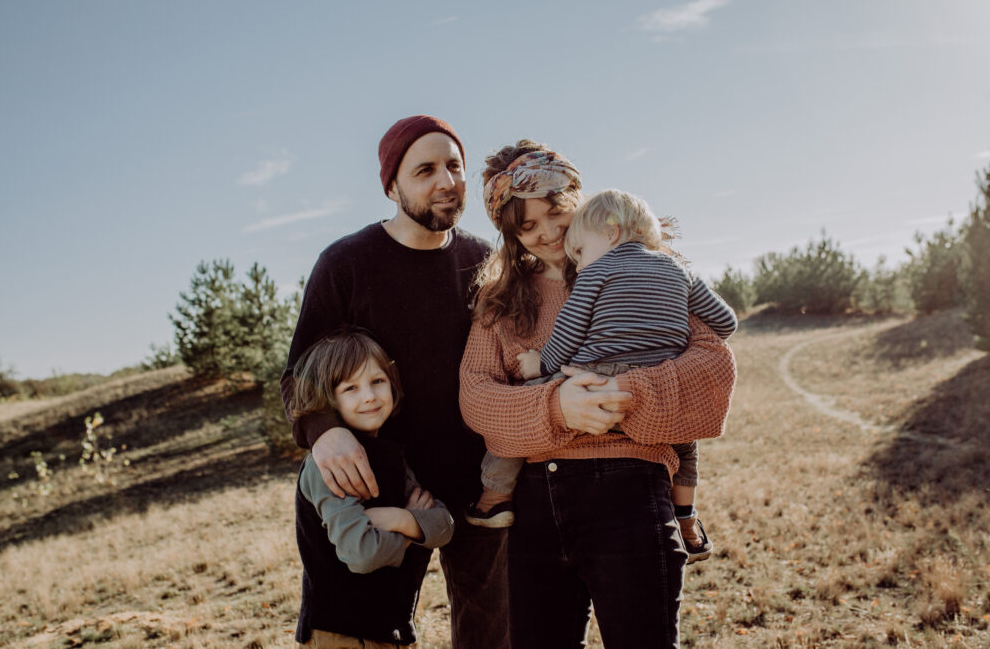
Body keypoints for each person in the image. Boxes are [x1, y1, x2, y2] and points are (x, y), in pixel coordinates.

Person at [459, 141, 737, 648]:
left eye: (555, 212)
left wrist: (619, 393)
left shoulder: (650, 269)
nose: (546, 233)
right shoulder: (500, 302)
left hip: (630, 488)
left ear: (578, 199)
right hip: (534, 504)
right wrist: (557, 406)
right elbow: (475, 396)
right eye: (527, 226)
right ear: (511, 234)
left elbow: (712, 366)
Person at [281, 115, 509, 648]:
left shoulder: (484, 262)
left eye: (453, 166)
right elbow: (298, 376)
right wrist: (323, 432)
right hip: (383, 483)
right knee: (366, 631)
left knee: (494, 634)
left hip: (477, 483)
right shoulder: (346, 263)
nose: (444, 181)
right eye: (424, 169)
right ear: (392, 185)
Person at [292, 328, 454, 648]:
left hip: (390, 629)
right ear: (329, 398)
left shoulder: (392, 457)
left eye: (377, 381)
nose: (369, 396)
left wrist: (398, 519)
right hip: (341, 634)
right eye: (351, 387)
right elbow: (361, 553)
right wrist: (414, 533)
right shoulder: (328, 465)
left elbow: (444, 526)